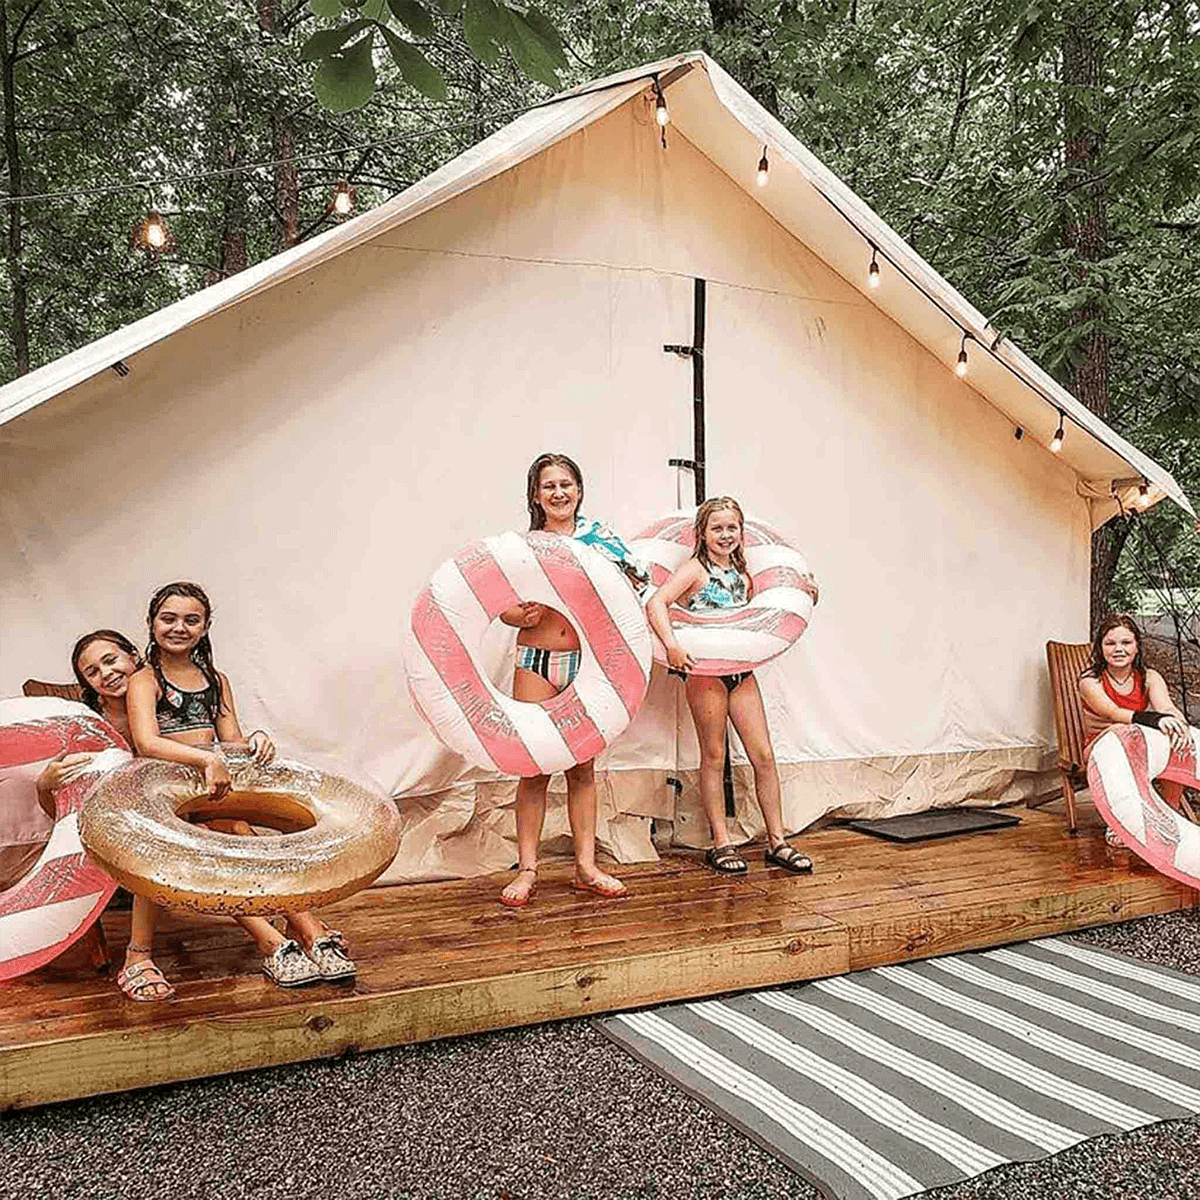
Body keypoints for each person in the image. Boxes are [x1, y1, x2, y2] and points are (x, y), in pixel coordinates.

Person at [118, 582, 354, 995]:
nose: (179, 628)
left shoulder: (215, 680)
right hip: (163, 794)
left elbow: (231, 740)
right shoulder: (146, 679)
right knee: (216, 845)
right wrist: (206, 759)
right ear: (152, 623)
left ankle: (307, 930)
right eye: (168, 618)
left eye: (191, 620)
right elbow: (147, 742)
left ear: (206, 626)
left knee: (242, 834)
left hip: (211, 790)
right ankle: (271, 940)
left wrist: (255, 740)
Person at [495, 453, 648, 908]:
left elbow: (639, 585)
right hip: (536, 659)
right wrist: (518, 613)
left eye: (566, 484)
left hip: (586, 666)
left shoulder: (601, 540)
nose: (559, 493)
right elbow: (501, 606)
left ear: (579, 490)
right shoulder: (523, 546)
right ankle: (527, 870)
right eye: (549, 487)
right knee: (534, 768)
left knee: (582, 769)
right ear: (536, 496)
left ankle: (585, 866)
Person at [646, 497, 812, 876]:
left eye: (731, 527)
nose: (725, 535)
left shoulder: (745, 573)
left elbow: (762, 612)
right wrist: (672, 644)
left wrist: (805, 593)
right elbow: (657, 601)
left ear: (742, 532)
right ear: (702, 534)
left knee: (764, 755)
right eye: (717, 528)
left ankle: (777, 841)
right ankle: (721, 842)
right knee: (714, 755)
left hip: (741, 673)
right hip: (705, 673)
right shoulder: (693, 570)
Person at [1079, 614, 1193, 836]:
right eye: (1110, 643)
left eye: (1126, 642)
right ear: (1100, 648)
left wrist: (1180, 725)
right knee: (1121, 730)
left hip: (1137, 743)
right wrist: (1156, 720)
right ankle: (1120, 822)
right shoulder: (1090, 681)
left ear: (1137, 646)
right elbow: (1114, 713)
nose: (1118, 649)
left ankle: (1169, 813)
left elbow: (1167, 708)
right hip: (1100, 748)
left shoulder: (1149, 677)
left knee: (1175, 737)